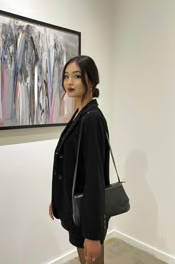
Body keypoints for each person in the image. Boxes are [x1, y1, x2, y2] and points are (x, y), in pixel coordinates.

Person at [49, 55, 110, 264]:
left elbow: (95, 177)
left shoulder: (91, 118)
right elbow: (71, 167)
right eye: (66, 76)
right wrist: (57, 199)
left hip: (86, 217)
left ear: (91, 80)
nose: (69, 82)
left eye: (76, 76)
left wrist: (93, 234)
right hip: (76, 210)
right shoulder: (79, 115)